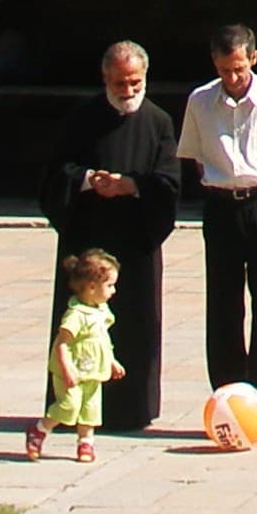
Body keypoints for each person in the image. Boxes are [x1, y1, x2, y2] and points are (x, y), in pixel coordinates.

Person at [36, 39, 180, 433]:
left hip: (135, 241)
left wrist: (132, 186)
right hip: (88, 237)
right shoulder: (81, 118)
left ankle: (132, 408)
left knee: (134, 326)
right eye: (120, 82)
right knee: (77, 326)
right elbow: (55, 173)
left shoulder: (158, 122)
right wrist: (87, 180)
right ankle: (71, 408)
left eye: (135, 82)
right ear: (105, 77)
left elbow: (168, 183)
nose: (128, 90)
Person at [175, 23, 257, 424]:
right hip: (220, 203)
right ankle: (228, 393)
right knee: (224, 301)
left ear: (253, 58)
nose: (233, 78)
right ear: (214, 63)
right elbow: (196, 157)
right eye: (224, 70)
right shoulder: (200, 101)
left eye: (239, 69)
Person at [29, 249, 124, 463]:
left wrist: (111, 360)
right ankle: (39, 430)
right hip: (72, 371)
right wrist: (67, 367)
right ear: (91, 287)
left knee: (90, 409)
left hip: (93, 370)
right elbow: (62, 343)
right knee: (68, 406)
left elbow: (102, 339)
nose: (114, 291)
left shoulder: (101, 310)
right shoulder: (76, 315)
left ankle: (86, 443)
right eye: (109, 285)